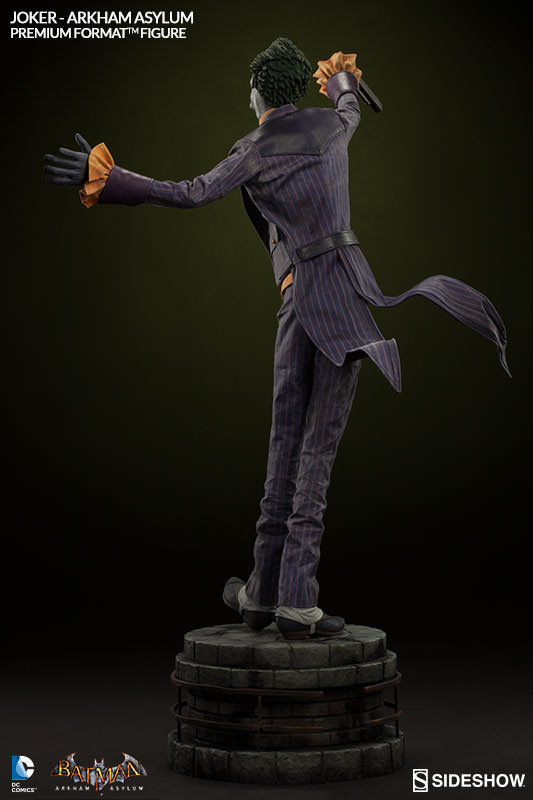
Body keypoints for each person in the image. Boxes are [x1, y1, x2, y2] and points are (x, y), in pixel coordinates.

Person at [45, 38, 510, 640]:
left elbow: (190, 192)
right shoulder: (333, 128)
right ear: (294, 89)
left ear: (259, 93)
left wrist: (111, 180)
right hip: (345, 296)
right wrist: (341, 80)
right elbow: (349, 105)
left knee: (288, 446)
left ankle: (277, 594)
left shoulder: (254, 149)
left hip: (301, 301)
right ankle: (279, 595)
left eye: (250, 88)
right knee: (314, 450)